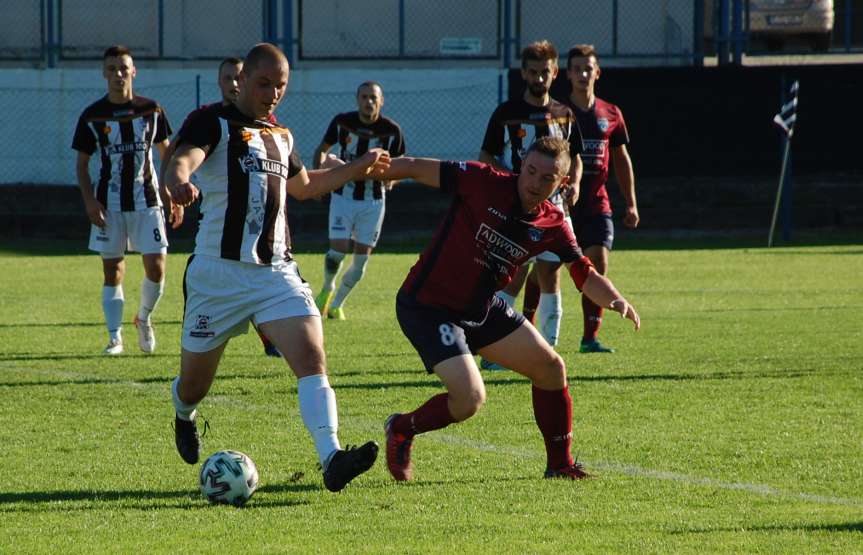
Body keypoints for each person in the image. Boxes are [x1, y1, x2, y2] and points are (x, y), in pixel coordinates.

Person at [162, 43, 390, 492]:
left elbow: (304, 187)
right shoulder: (213, 121)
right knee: (194, 386)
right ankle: (184, 415)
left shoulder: (281, 135)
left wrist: (359, 167)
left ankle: (331, 458)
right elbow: (183, 159)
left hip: (275, 272)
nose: (272, 93)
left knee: (311, 356)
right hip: (217, 273)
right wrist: (177, 181)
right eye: (264, 83)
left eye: (280, 85)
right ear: (242, 79)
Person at [375, 137, 640, 481]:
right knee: (469, 398)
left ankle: (559, 465)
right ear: (521, 166)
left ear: (561, 183)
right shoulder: (482, 180)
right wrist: (362, 170)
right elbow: (411, 166)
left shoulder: (554, 223)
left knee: (550, 368)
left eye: (547, 178)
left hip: (480, 310)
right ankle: (401, 428)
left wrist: (615, 298)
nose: (534, 182)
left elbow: (583, 272)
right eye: (530, 171)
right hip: (429, 306)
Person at [161, 57, 281, 358]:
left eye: (240, 77)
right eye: (228, 78)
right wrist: (172, 189)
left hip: (261, 220)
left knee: (260, 259)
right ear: (220, 82)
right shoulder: (206, 118)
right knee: (230, 258)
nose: (235, 83)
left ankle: (269, 330)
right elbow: (177, 155)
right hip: (215, 225)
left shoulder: (268, 125)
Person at [479, 40, 583, 365]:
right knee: (512, 274)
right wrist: (510, 184)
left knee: (551, 273)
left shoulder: (565, 114)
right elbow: (486, 156)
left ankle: (547, 350)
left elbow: (575, 157)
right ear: (524, 72)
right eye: (533, 72)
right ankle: (494, 350)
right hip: (517, 210)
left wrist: (575, 183)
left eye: (545, 73)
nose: (539, 79)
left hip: (554, 210)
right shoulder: (507, 113)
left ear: (555, 73)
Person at [72, 45, 174, 355]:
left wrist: (171, 194)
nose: (119, 74)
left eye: (124, 68)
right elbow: (81, 164)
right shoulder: (93, 116)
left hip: (148, 202)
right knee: (112, 271)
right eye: (112, 68)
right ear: (105, 73)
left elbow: (166, 155)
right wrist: (90, 201)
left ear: (134, 71)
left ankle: (143, 318)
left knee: (157, 268)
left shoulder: (151, 110)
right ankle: (115, 337)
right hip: (109, 205)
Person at [564, 44, 639, 353]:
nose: (583, 74)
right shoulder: (557, 112)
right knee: (545, 273)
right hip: (562, 203)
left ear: (598, 72)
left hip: (597, 202)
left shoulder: (611, 113)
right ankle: (533, 332)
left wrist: (631, 202)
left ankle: (589, 338)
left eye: (588, 68)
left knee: (597, 262)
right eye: (577, 68)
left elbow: (621, 158)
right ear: (567, 74)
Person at [312, 81, 405, 320]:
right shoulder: (343, 122)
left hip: (373, 202)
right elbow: (321, 150)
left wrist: (392, 181)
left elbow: (400, 165)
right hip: (343, 196)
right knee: (338, 251)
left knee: (361, 262)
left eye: (373, 97)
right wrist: (321, 176)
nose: (369, 101)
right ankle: (327, 289)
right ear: (357, 100)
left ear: (381, 102)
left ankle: (337, 305)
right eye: (364, 97)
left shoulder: (391, 130)